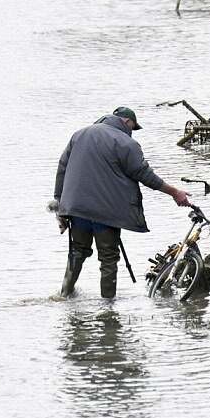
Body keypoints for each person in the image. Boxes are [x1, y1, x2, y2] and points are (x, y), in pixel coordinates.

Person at [53, 107, 190, 298]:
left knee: (77, 252)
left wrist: (59, 203)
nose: (132, 132)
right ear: (127, 122)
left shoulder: (79, 134)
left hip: (77, 209)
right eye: (133, 127)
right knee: (108, 258)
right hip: (106, 213)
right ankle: (108, 309)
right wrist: (174, 192)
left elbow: (62, 168)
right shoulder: (126, 142)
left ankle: (64, 295)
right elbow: (145, 175)